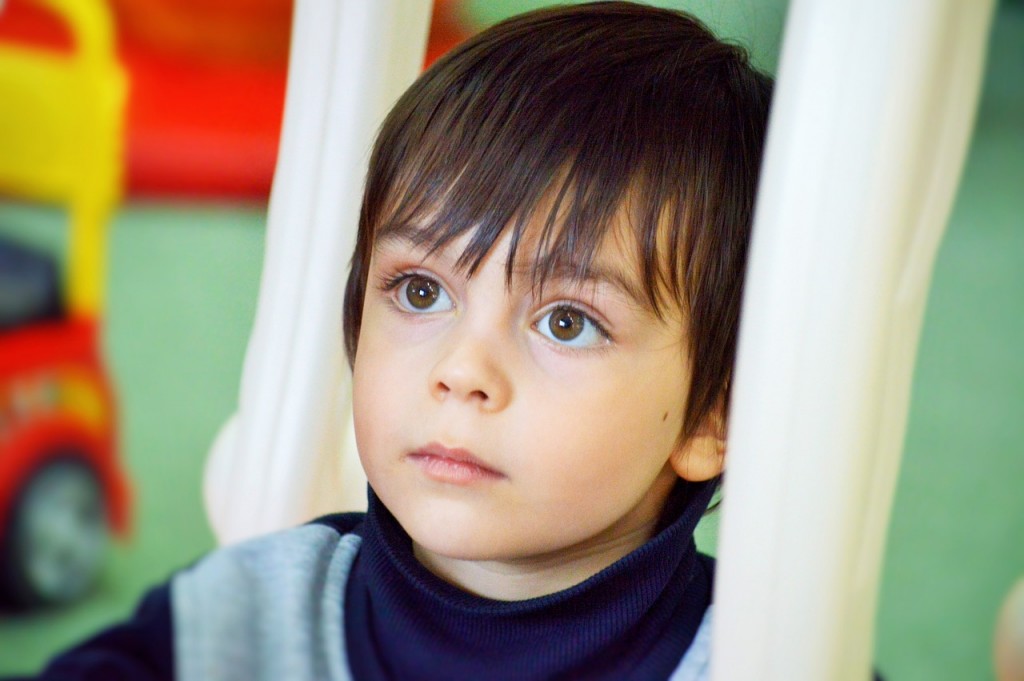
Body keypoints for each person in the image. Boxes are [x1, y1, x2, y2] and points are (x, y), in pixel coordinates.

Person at [12, 3, 772, 679]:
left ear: (714, 414)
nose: (461, 370)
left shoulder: (766, 656)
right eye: (421, 292)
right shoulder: (247, 614)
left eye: (567, 322)